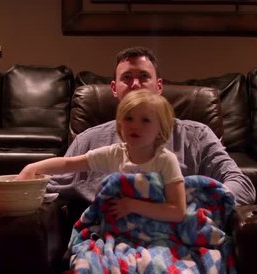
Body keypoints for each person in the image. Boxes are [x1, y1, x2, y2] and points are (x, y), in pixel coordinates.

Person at [0, 46, 255, 214]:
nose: (135, 84)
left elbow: (240, 184)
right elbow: (49, 186)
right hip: (114, 233)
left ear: (159, 87)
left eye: (144, 77)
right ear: (114, 89)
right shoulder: (91, 141)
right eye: (126, 78)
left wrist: (184, 203)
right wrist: (4, 191)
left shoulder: (196, 135)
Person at [17, 88, 187, 222]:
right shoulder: (114, 153)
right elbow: (69, 164)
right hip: (118, 230)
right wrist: (32, 167)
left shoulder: (166, 160)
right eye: (128, 118)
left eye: (145, 120)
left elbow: (178, 211)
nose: (135, 126)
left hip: (156, 232)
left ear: (160, 129)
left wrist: (132, 205)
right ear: (119, 123)